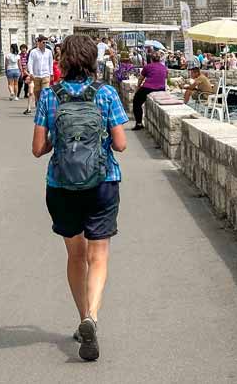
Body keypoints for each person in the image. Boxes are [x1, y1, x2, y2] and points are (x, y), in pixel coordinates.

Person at [31, 35, 128, 362]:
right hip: (103, 182)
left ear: (63, 61)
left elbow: (37, 149)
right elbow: (121, 144)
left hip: (61, 184)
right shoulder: (107, 94)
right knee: (99, 254)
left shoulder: (48, 95)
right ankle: (93, 318)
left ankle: (82, 314)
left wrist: (57, 145)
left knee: (76, 255)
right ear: (92, 61)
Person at [132, 52, 168, 130]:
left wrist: (138, 87)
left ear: (151, 59)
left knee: (136, 102)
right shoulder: (164, 67)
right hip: (161, 88)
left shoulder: (147, 67)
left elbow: (141, 78)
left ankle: (139, 123)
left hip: (148, 88)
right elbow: (165, 78)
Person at [28, 35, 54, 110]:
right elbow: (30, 63)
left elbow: (50, 63)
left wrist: (51, 73)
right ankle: (38, 102)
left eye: (46, 42)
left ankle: (43, 108)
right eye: (43, 42)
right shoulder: (33, 52)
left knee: (45, 92)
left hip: (46, 75)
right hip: (36, 75)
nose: (45, 44)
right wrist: (31, 73)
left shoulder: (49, 52)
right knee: (37, 92)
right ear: (38, 43)